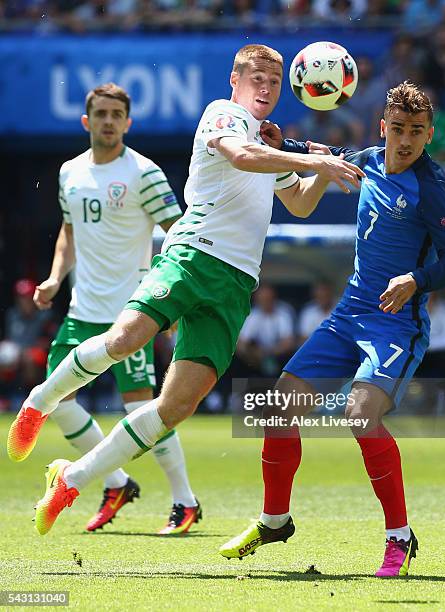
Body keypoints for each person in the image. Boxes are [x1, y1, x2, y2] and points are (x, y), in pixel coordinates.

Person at [7, 45, 364, 536]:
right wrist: (306, 160)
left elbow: (298, 204)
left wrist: (318, 171)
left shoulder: (269, 139)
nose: (266, 88)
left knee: (176, 406)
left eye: (275, 82)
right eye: (257, 77)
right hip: (192, 254)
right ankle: (40, 402)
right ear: (234, 81)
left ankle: (71, 479)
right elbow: (242, 156)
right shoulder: (223, 115)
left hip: (236, 282)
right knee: (126, 339)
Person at [220, 82, 445, 577]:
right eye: (397, 129)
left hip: (397, 322)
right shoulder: (369, 160)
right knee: (278, 408)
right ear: (383, 127)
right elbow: (324, 154)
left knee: (360, 415)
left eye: (416, 132)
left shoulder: (432, 185)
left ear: (429, 135)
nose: (405, 140)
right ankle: (275, 521)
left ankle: (399, 536)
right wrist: (279, 142)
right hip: (350, 312)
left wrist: (416, 279)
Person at [9, 83, 203, 536]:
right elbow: (68, 231)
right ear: (86, 121)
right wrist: (57, 277)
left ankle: (185, 501)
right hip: (82, 308)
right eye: (101, 114)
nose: (109, 121)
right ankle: (115, 482)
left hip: (130, 313)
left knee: (143, 407)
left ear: (128, 122)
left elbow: (178, 232)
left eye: (117, 114)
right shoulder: (69, 172)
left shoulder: (145, 173)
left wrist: (168, 294)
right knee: (57, 401)